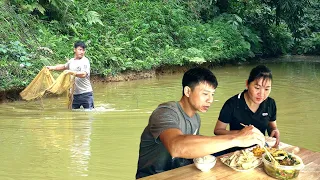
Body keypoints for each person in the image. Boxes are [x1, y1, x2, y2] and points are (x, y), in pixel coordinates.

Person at [136, 67, 266, 179]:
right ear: (188, 91)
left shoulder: (196, 118)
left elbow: (194, 145)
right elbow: (177, 146)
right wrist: (236, 139)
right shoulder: (166, 112)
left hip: (180, 174)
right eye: (205, 94)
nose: (210, 100)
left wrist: (240, 134)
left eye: (212, 94)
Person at [213, 65, 280, 156]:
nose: (261, 94)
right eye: (257, 88)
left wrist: (274, 130)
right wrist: (240, 133)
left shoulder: (270, 103)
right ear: (247, 84)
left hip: (260, 151)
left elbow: (272, 127)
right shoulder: (232, 103)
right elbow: (218, 130)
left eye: (267, 89)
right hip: (235, 152)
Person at [46, 41, 94, 109]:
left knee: (89, 114)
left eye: (83, 50)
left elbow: (84, 74)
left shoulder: (85, 61)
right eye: (80, 49)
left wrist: (71, 72)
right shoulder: (71, 61)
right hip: (74, 95)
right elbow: (64, 66)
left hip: (86, 93)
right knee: (73, 115)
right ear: (74, 50)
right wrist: (52, 67)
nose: (82, 52)